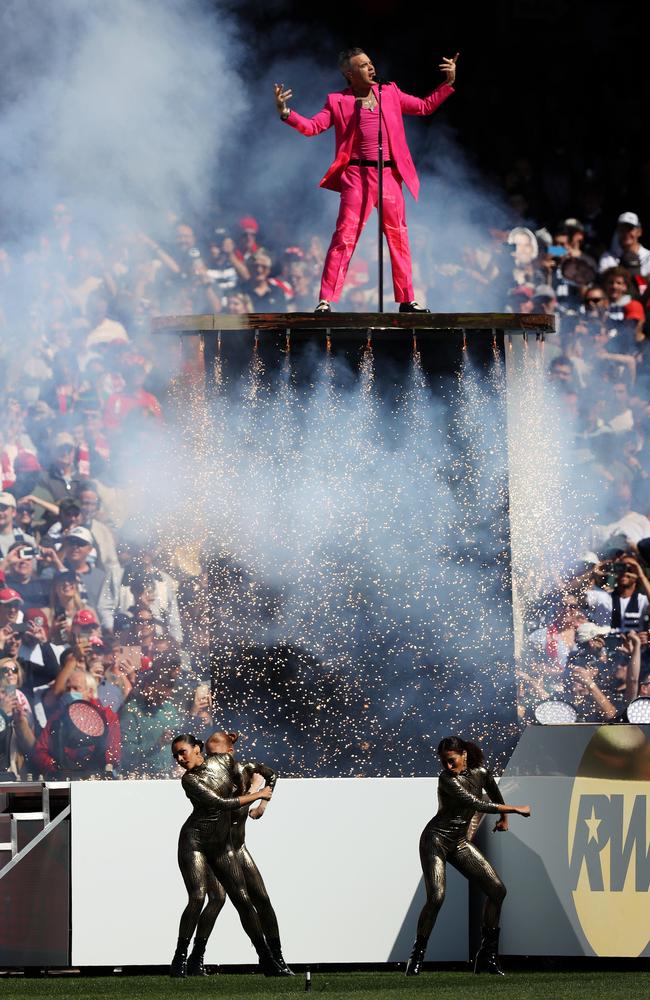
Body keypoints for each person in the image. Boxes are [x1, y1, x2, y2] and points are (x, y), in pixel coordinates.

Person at [274, 47, 457, 313]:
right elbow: (313, 127)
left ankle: (407, 300)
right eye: (363, 65)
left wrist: (448, 83)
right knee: (345, 236)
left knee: (398, 237)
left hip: (388, 175)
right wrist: (286, 112)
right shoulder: (338, 101)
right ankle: (326, 299)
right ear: (349, 73)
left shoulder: (389, 93)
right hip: (356, 175)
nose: (370, 68)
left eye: (370, 63)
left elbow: (424, 107)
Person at [405, 736, 531, 978]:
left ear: (463, 754)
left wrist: (504, 819)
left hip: (459, 843)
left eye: (451, 761)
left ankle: (487, 956)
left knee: (497, 890)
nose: (448, 767)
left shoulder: (481, 772)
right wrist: (515, 810)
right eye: (444, 762)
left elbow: (493, 793)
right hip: (436, 840)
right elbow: (474, 802)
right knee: (437, 897)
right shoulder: (446, 780)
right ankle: (417, 954)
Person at [170, 734, 288, 978]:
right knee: (201, 897)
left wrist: (261, 802)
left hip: (228, 846)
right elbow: (222, 803)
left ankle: (269, 959)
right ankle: (182, 959)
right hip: (197, 843)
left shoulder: (230, 765)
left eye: (183, 752)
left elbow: (268, 775)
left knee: (247, 899)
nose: (180, 759)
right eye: (176, 755)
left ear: (197, 749)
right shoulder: (189, 780)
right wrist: (258, 795)